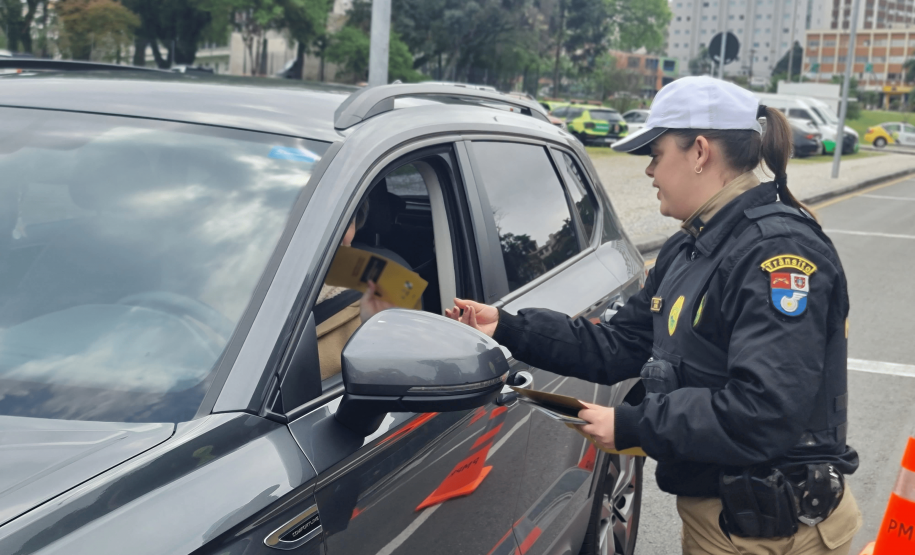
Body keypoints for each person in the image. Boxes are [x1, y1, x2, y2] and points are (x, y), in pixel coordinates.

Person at [445, 77, 861, 555]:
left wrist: (635, 425)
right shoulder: (691, 248)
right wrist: (508, 327)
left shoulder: (775, 254)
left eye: (655, 154)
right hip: (726, 519)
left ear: (699, 152)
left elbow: (764, 410)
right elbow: (621, 344)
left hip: (773, 534)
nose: (648, 170)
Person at [316, 199, 394, 379]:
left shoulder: (377, 299)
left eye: (346, 221)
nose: (337, 233)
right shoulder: (253, 285)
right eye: (323, 220)